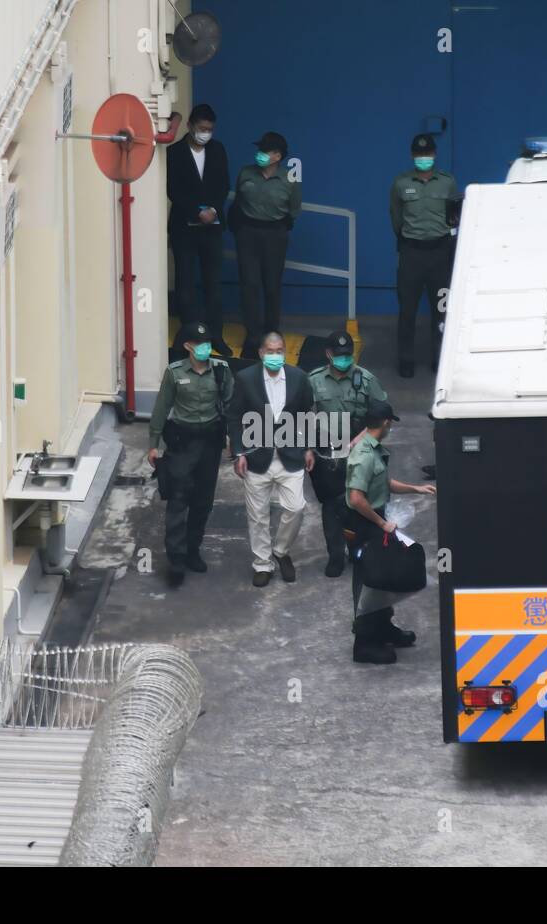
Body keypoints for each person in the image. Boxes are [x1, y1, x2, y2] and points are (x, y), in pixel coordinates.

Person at [343, 400, 436, 664]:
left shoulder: (373, 451)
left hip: (375, 520)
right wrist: (382, 524)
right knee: (370, 582)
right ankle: (364, 644)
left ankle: (383, 627)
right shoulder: (363, 455)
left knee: (384, 577)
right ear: (386, 423)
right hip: (364, 525)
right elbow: (357, 498)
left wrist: (415, 489)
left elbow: (383, 483)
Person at [147, 321, 234, 585]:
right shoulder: (174, 373)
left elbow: (230, 405)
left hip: (209, 444)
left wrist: (233, 438)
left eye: (207, 343)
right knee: (177, 498)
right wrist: (153, 443)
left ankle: (193, 550)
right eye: (199, 344)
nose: (205, 348)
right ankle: (176, 558)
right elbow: (162, 407)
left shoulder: (221, 371)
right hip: (182, 444)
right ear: (187, 346)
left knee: (203, 500)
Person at [227, 331, 314, 587]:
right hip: (256, 457)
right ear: (261, 353)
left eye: (279, 351)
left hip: (291, 455)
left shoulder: (299, 378)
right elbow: (234, 417)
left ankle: (281, 550)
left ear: (284, 352)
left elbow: (306, 413)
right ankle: (262, 564)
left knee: (296, 507)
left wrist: (308, 447)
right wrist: (239, 452)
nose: (275, 355)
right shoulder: (245, 379)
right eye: (270, 351)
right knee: (257, 516)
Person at [309, 330, 387, 578]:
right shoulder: (314, 380)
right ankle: (335, 555)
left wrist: (361, 438)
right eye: (338, 355)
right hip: (328, 455)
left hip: (360, 452)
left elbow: (382, 415)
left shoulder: (366, 379)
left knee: (359, 503)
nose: (343, 360)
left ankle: (358, 550)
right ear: (328, 354)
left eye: (347, 355)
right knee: (332, 506)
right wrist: (308, 449)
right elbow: (305, 417)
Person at [389, 132, 458, 377]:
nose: (423, 158)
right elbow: (396, 218)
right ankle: (405, 359)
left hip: (440, 254)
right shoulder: (401, 183)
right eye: (419, 154)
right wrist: (408, 240)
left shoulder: (447, 182)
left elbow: (453, 216)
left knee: (441, 309)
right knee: (407, 310)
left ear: (434, 154)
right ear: (412, 156)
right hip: (412, 254)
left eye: (427, 154)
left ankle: (439, 359)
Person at [167, 104, 231, 356]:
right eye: (202, 128)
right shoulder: (174, 153)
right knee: (186, 283)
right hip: (184, 227)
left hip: (212, 228)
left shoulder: (218, 150)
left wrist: (213, 209)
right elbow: (172, 188)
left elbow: (223, 184)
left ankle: (217, 336)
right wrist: (196, 212)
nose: (206, 133)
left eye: (210, 129)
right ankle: (190, 336)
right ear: (190, 126)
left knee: (213, 283)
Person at [231, 131, 301, 359]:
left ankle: (271, 333)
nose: (259, 154)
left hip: (275, 235)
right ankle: (252, 336)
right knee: (249, 285)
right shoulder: (246, 173)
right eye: (259, 150)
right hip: (248, 233)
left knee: (272, 286)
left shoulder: (289, 179)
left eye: (265, 151)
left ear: (277, 155)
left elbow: (294, 210)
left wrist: (277, 227)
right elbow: (238, 203)